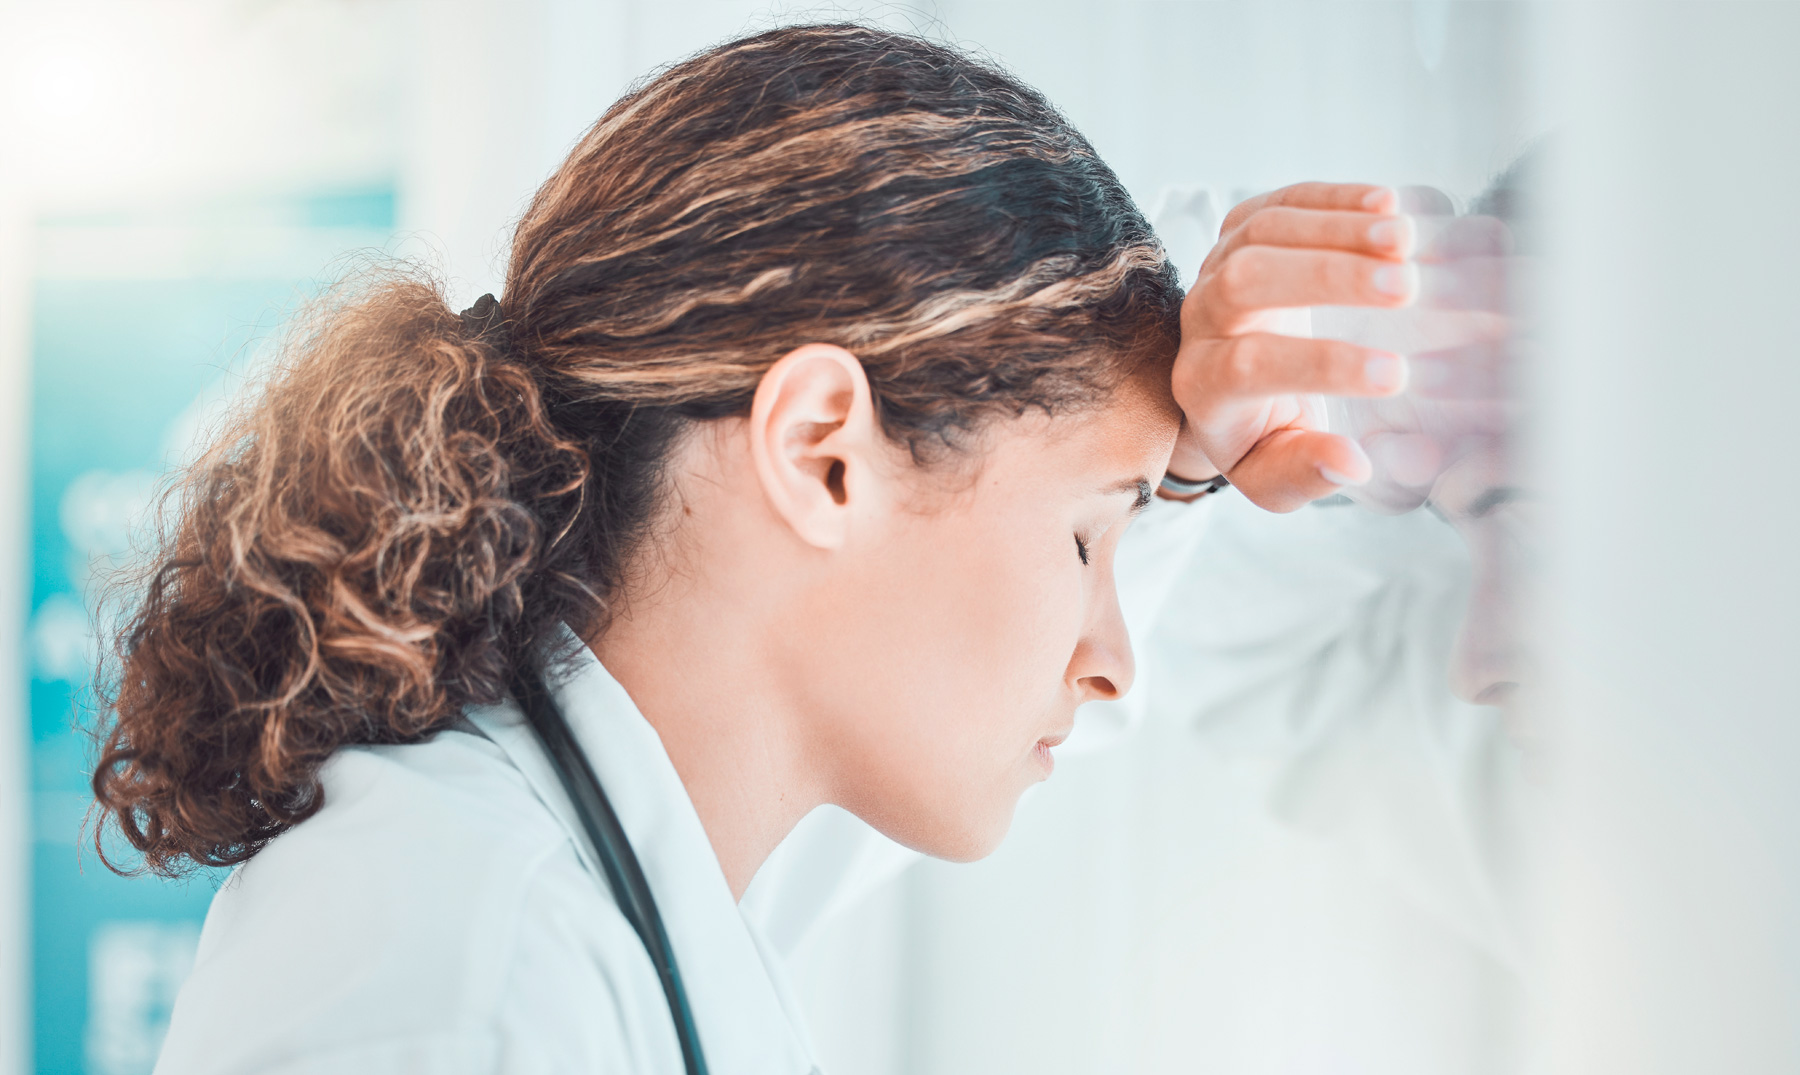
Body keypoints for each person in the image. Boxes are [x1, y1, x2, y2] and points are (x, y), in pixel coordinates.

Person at [89, 24, 1417, 1074]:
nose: (1114, 664)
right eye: (1085, 540)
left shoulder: (578, 867)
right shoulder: (467, 993)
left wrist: (1166, 465)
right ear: (823, 452)